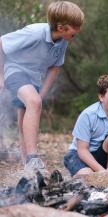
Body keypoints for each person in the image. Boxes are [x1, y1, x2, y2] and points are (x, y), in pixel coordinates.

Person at [0, 1, 84, 170]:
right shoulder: (35, 32)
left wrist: (42, 94)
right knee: (33, 103)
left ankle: (28, 169)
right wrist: (0, 76)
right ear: (61, 27)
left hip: (33, 79)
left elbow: (54, 67)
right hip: (15, 70)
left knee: (26, 120)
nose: (78, 30)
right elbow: (1, 43)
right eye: (75, 27)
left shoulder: (63, 41)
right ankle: (33, 158)